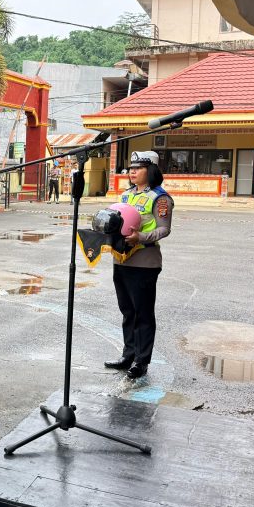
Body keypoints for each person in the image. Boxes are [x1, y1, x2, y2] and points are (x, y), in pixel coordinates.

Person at [103, 151, 174, 381]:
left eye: (138, 168)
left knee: (142, 313)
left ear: (150, 171)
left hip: (144, 262)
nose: (132, 171)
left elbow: (164, 229)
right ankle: (128, 355)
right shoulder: (125, 196)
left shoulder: (160, 198)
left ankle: (141, 361)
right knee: (127, 311)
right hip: (121, 259)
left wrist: (140, 237)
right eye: (130, 168)